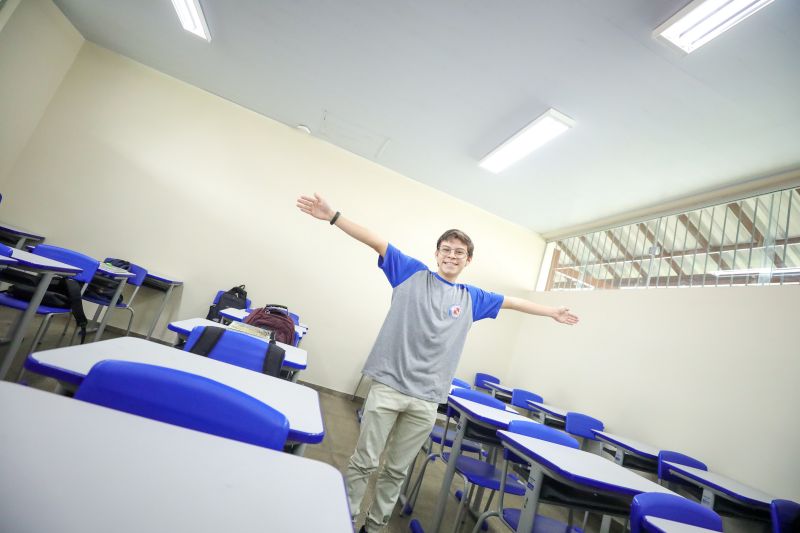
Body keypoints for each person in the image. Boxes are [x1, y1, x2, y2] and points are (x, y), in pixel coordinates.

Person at [296, 192, 579, 533]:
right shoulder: (411, 273)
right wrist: (333, 216)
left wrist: (551, 311)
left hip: (427, 399)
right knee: (364, 462)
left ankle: (374, 526)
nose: (451, 255)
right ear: (437, 253)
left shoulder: (472, 298)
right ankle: (345, 518)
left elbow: (514, 302)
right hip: (388, 386)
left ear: (467, 260)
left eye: (459, 252)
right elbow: (376, 241)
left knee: (396, 470)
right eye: (446, 249)